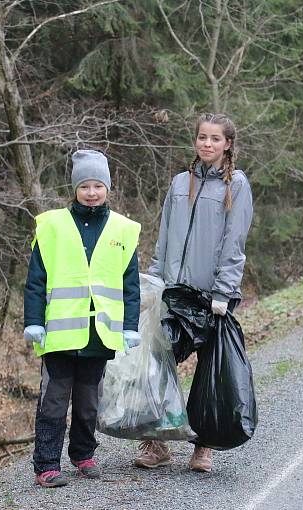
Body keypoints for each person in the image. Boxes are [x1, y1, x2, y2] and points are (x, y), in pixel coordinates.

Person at [134, 112, 253, 473]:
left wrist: (223, 292)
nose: (207, 144)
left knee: (209, 372)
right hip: (174, 291)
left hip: (212, 296)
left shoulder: (237, 186)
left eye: (215, 139)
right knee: (157, 359)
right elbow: (165, 236)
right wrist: (154, 281)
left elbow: (235, 243)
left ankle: (203, 446)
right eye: (202, 137)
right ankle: (156, 442)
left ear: (227, 144)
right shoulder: (178, 183)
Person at [24, 149, 142, 488]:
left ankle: (83, 454)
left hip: (99, 333)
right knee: (54, 400)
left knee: (90, 401)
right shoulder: (52, 226)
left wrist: (130, 327)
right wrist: (34, 321)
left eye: (98, 185)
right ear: (74, 188)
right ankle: (46, 463)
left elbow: (129, 285)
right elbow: (36, 280)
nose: (92, 192)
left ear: (108, 188)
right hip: (59, 334)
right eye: (85, 186)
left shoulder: (122, 229)